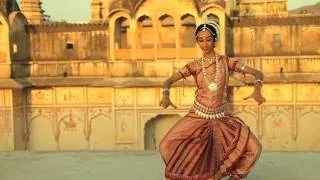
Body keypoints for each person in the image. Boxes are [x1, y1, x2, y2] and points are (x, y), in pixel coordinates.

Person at [159, 22, 266, 180]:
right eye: (201, 40)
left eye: (208, 39)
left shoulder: (226, 62)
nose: (204, 44)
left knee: (254, 149)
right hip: (197, 116)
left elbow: (257, 73)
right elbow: (167, 81)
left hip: (221, 119)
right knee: (166, 144)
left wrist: (257, 90)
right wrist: (166, 95)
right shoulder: (194, 66)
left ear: (214, 40)